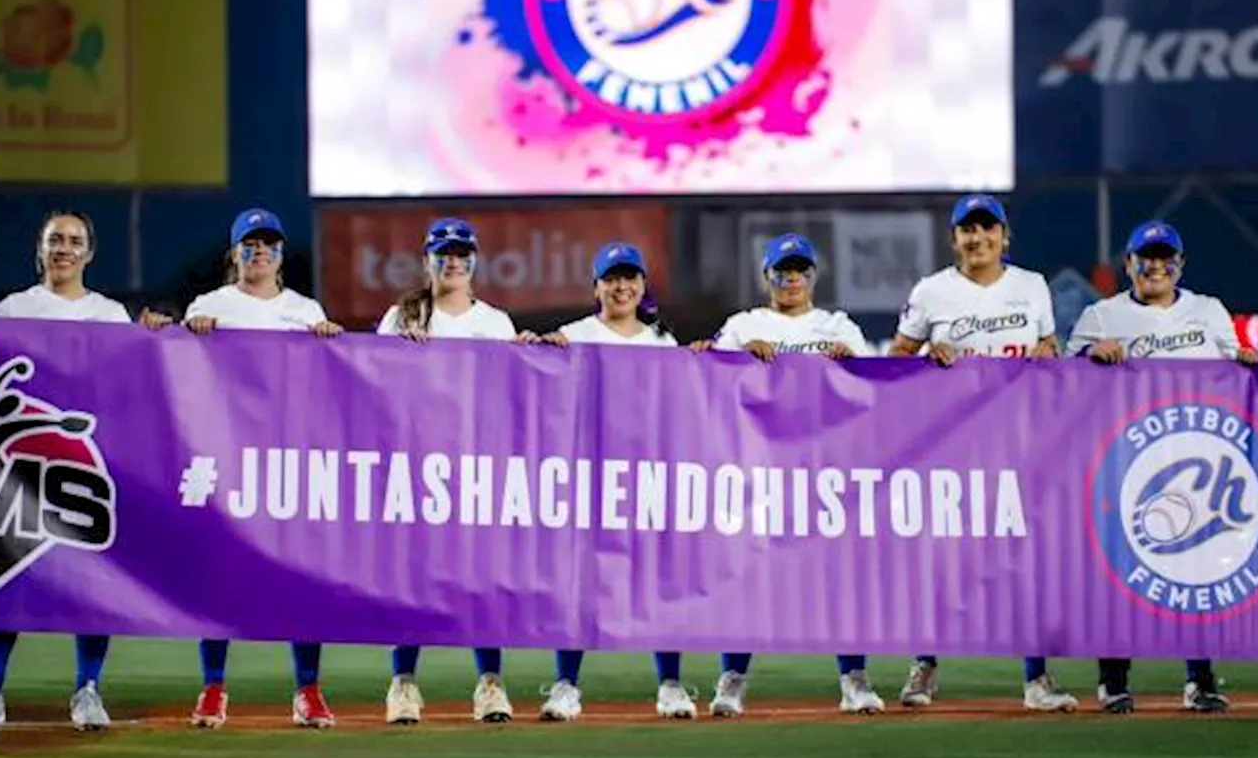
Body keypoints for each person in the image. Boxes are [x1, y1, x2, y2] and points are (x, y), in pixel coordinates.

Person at [888, 193, 1078, 713]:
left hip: (1022, 445)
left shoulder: (1031, 287)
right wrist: (928, 356)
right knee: (943, 560)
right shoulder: (933, 292)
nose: (978, 238)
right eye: (968, 230)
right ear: (954, 239)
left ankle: (1037, 678)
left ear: (1004, 236)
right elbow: (895, 357)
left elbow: (1049, 349)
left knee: (1028, 561)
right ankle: (924, 665)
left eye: (987, 229)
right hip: (953, 446)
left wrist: (1049, 350)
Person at [0, 210, 171, 732]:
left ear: (89, 253)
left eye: (74, 241)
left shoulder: (109, 314)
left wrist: (152, 337)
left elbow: (133, 380)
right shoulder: (13, 310)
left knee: (94, 583)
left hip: (85, 464)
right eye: (55, 240)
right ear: (39, 250)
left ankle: (88, 688)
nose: (64, 248)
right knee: (7, 575)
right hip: (18, 469)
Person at [1067, 219, 1257, 714]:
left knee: (1198, 570)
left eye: (1164, 256)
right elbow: (1059, 385)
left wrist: (1243, 360)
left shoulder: (1208, 311)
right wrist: (1089, 354)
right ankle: (1113, 681)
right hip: (1124, 462)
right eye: (1144, 257)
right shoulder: (1101, 315)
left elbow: (1234, 374)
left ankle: (1199, 679)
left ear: (1180, 264)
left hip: (1195, 458)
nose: (1155, 266)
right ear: (1128, 264)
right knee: (1119, 573)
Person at [699, 233, 884, 718]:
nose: (793, 278)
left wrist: (852, 364)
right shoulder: (744, 325)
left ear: (814, 275)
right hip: (760, 468)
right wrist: (735, 356)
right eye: (784, 270)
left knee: (840, 576)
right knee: (750, 574)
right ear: (768, 277)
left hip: (826, 470)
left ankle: (853, 678)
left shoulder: (839, 325)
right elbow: (706, 377)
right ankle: (733, 678)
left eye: (801, 269)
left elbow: (869, 389)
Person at [184, 207, 344, 729]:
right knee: (217, 575)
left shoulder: (304, 309)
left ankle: (307, 690)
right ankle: (212, 687)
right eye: (250, 244)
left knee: (301, 578)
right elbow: (180, 374)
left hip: (286, 458)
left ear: (281, 253)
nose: (259, 252)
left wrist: (329, 346)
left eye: (269, 244)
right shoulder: (210, 306)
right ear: (234, 253)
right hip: (227, 454)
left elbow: (328, 385)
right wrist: (190, 333)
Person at [528, 242, 698, 721]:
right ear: (596, 286)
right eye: (611, 278)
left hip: (647, 475)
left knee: (656, 583)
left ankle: (670, 684)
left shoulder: (663, 342)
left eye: (630, 278)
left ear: (643, 285)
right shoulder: (573, 334)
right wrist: (536, 352)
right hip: (589, 473)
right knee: (579, 584)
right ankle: (566, 686)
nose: (621, 287)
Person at [376, 217, 519, 725]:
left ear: (475, 261)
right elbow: (371, 382)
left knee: (482, 577)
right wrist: (398, 357)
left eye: (462, 254)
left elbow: (515, 392)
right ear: (427, 259)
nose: (453, 261)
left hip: (477, 462)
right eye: (444, 253)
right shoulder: (403, 315)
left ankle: (489, 683)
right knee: (414, 577)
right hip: (417, 462)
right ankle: (403, 683)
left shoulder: (496, 323)